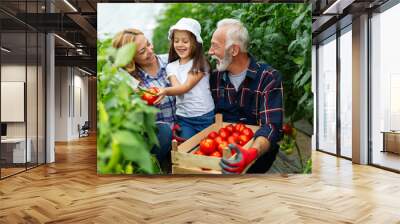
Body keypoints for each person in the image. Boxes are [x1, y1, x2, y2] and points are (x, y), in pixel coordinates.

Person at [208, 19, 284, 174]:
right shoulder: (214, 78)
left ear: (234, 50)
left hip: (259, 156)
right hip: (220, 155)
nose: (210, 51)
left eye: (215, 45)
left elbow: (271, 126)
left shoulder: (268, 77)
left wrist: (252, 152)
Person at [112, 28, 176, 166]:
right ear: (131, 59)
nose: (150, 50)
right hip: (161, 140)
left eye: (148, 43)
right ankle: (153, 166)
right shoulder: (131, 81)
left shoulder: (170, 62)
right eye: (142, 51)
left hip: (182, 130)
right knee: (164, 132)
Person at [155, 18, 215, 139]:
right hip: (184, 118)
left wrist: (165, 91)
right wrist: (165, 90)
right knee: (186, 147)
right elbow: (178, 88)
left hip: (204, 116)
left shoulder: (200, 63)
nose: (180, 44)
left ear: (195, 43)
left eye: (185, 41)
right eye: (176, 41)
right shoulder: (171, 66)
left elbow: (186, 87)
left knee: (206, 148)